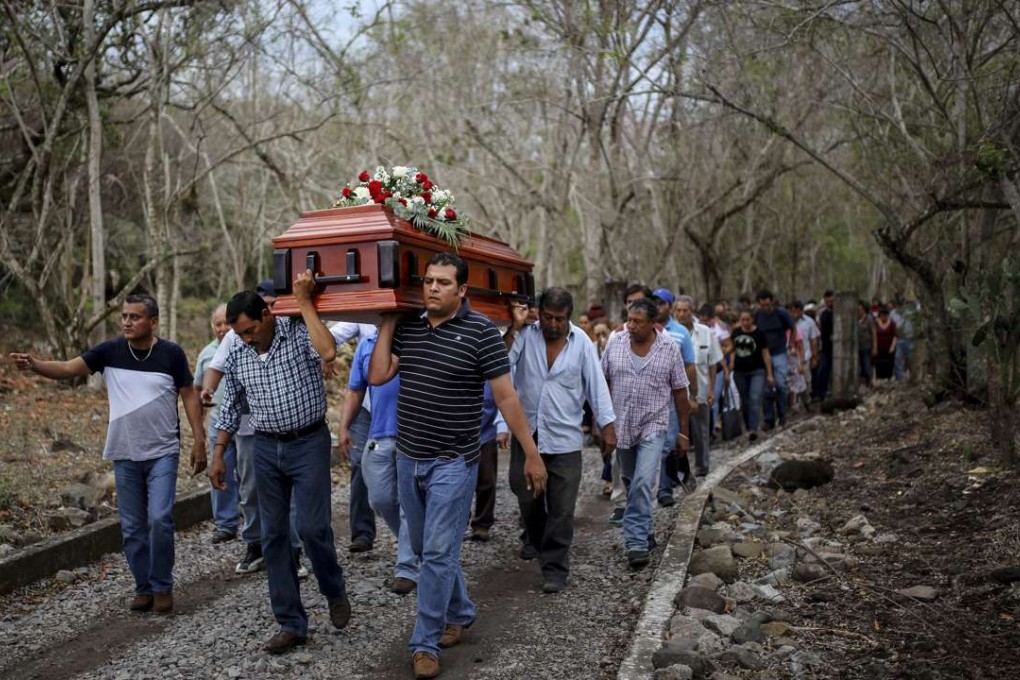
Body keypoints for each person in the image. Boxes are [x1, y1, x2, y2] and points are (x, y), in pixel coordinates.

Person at [368, 252, 548, 680]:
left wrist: (531, 453)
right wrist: (389, 318)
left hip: (454, 461)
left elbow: (506, 397)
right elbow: (377, 376)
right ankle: (461, 609)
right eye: (428, 280)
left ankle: (423, 642)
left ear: (462, 290)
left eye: (443, 282)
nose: (432, 287)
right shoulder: (408, 327)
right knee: (436, 551)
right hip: (408, 457)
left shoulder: (482, 333)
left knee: (433, 552)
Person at [11, 295, 205, 614]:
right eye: (124, 316)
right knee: (131, 526)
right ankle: (143, 587)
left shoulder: (170, 353)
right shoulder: (109, 351)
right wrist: (34, 365)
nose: (127, 322)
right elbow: (66, 368)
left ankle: (162, 585)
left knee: (159, 518)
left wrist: (199, 439)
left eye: (135, 317)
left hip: (163, 452)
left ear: (153, 322)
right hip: (124, 454)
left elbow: (188, 394)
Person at [208, 272, 350, 655]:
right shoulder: (238, 350)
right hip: (266, 448)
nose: (247, 339)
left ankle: (333, 589)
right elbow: (231, 404)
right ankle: (291, 622)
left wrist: (304, 302)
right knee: (274, 537)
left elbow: (328, 353)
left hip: (308, 442)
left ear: (268, 316)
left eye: (251, 330)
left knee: (312, 527)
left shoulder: (297, 330)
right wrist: (219, 452)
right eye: (240, 334)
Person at [505, 287, 616, 593]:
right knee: (525, 495)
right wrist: (515, 327)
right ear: (539, 313)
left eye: (560, 319)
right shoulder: (526, 335)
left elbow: (596, 384)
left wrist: (607, 425)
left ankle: (554, 567)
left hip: (565, 437)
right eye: (548, 317)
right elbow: (500, 362)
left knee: (563, 508)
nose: (553, 324)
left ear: (569, 317)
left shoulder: (581, 342)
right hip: (528, 434)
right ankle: (539, 542)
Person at [200, 282, 303, 577]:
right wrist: (208, 390)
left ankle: (293, 551)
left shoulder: (288, 331)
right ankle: (256, 544)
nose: (246, 338)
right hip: (248, 423)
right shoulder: (235, 340)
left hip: (286, 424)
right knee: (251, 487)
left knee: (288, 491)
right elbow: (217, 371)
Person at [601, 297, 690, 569]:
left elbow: (680, 391)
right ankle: (647, 528)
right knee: (630, 481)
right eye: (629, 319)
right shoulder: (615, 344)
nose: (630, 326)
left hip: (654, 425)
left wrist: (683, 433)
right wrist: (602, 425)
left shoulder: (669, 349)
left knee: (642, 481)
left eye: (637, 322)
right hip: (622, 425)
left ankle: (636, 542)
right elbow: (601, 382)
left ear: (653, 324)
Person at [340, 328, 419, 595]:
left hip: (415, 435)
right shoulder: (367, 344)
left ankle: (407, 566)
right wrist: (344, 427)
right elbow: (355, 390)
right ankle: (418, 546)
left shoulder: (418, 334)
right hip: (380, 434)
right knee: (380, 499)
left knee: (410, 501)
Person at [195, 303, 239, 544]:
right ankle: (225, 523)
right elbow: (197, 388)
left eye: (226, 323)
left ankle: (255, 519)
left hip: (247, 420)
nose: (222, 328)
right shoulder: (206, 354)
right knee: (221, 470)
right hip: (217, 420)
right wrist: (198, 426)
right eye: (217, 324)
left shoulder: (245, 344)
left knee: (250, 473)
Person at [651, 288, 696, 507]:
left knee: (669, 443)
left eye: (662, 303)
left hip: (671, 397)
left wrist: (691, 395)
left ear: (670, 307)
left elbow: (689, 365)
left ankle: (664, 489)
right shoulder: (642, 329)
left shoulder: (680, 333)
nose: (657, 307)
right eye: (654, 302)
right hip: (648, 397)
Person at [674, 296, 722, 476]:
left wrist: (711, 388)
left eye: (685, 310)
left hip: (700, 389)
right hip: (676, 392)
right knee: (676, 432)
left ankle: (702, 466)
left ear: (692, 311)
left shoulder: (705, 332)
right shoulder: (670, 333)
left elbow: (713, 362)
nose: (681, 314)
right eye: (678, 310)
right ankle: (678, 470)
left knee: (701, 430)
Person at [469, 384, 509, 542]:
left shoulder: (492, 368)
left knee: (486, 478)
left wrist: (501, 427)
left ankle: (482, 524)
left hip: (487, 429)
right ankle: (458, 521)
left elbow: (505, 396)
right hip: (460, 429)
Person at [753, 290, 795, 429]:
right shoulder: (757, 315)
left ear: (771, 302)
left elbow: (792, 327)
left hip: (779, 353)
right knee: (766, 389)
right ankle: (769, 419)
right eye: (762, 305)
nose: (765, 307)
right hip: (762, 355)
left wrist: (791, 344)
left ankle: (783, 415)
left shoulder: (781, 313)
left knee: (781, 385)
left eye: (767, 304)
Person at [731, 310, 774, 441]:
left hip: (757, 370)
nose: (745, 322)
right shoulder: (736, 332)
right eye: (742, 320)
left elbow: (765, 354)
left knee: (755, 397)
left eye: (747, 320)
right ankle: (748, 425)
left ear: (752, 320)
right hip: (739, 371)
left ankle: (753, 428)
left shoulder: (759, 334)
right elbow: (732, 349)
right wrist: (731, 363)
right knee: (744, 400)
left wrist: (769, 374)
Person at [790, 300, 820, 409]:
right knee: (792, 381)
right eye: (793, 311)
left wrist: (815, 357)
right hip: (790, 357)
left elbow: (813, 340)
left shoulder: (809, 322)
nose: (795, 314)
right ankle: (794, 404)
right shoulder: (787, 323)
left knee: (806, 380)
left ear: (801, 311)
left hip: (805, 355)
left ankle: (807, 401)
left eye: (797, 311)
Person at [813, 290, 835, 401]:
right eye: (828, 301)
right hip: (826, 347)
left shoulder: (840, 313)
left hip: (838, 348)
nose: (830, 303)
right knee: (823, 370)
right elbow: (820, 331)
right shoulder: (823, 314)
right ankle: (821, 393)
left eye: (832, 301)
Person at [889, 297, 915, 382]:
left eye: (903, 304)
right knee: (897, 358)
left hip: (909, 338)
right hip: (898, 338)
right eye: (899, 304)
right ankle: (900, 378)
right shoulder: (892, 314)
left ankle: (913, 376)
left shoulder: (910, 313)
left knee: (911, 358)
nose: (901, 306)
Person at [873, 305, 898, 381]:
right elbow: (874, 336)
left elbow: (895, 336)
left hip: (889, 348)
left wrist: (892, 347)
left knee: (889, 365)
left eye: (885, 315)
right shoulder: (876, 324)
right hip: (879, 348)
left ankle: (888, 378)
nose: (883, 317)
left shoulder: (892, 324)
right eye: (882, 315)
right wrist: (875, 347)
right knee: (879, 365)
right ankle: (880, 379)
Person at [857, 300, 877, 387]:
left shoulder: (869, 319)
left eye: (860, 309)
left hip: (867, 346)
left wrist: (875, 347)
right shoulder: (855, 319)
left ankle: (869, 382)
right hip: (857, 346)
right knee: (859, 366)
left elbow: (873, 333)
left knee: (867, 364)